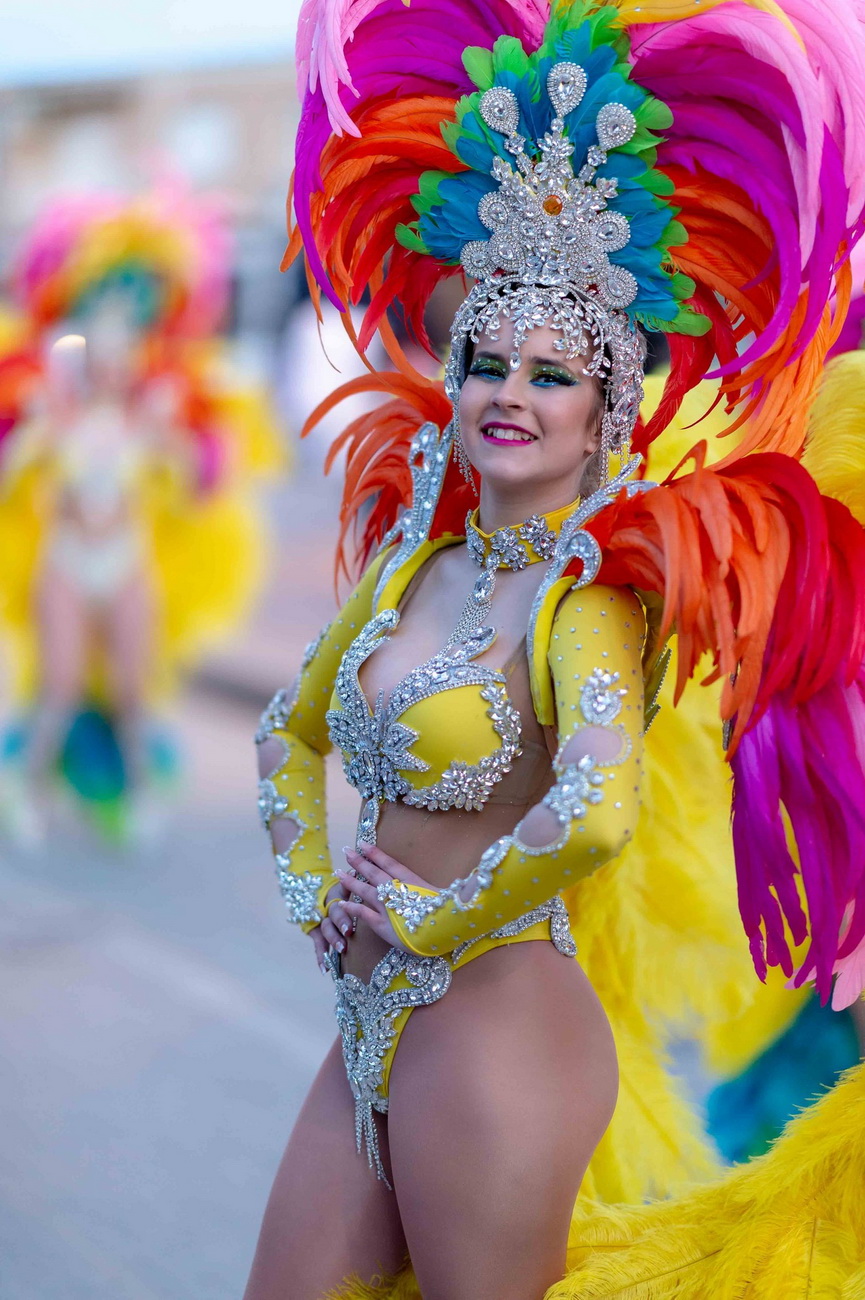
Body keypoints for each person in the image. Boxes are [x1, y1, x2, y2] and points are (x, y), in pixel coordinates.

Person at [246, 1, 865, 1296]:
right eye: (486, 364)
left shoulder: (584, 604)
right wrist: (314, 894)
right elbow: (285, 731)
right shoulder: (414, 568)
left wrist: (438, 915)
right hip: (364, 1016)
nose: (508, 395)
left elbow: (596, 806)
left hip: (501, 1036)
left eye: (550, 375)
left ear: (603, 415)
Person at [0, 191, 283, 841]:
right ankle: (24, 789)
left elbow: (200, 486)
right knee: (59, 689)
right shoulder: (51, 411)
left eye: (129, 335)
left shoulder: (154, 415)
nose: (115, 351)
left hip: (127, 563)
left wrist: (176, 442)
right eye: (100, 334)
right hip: (65, 564)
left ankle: (140, 799)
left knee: (135, 694)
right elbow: (12, 472)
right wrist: (35, 431)